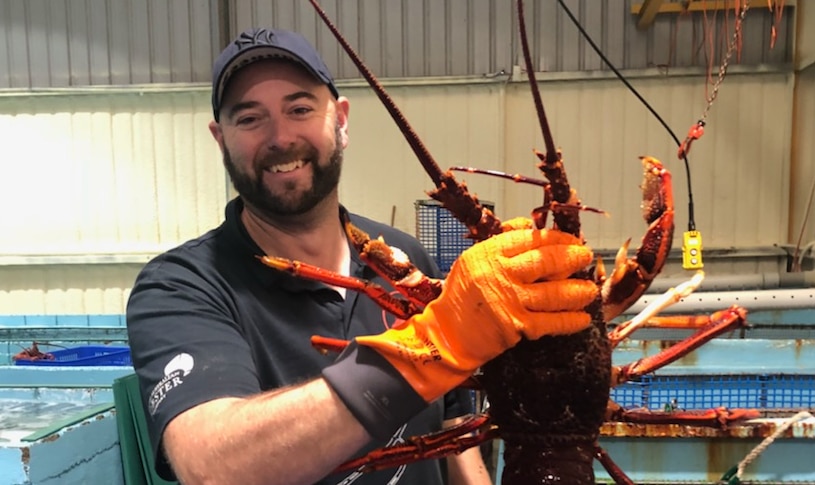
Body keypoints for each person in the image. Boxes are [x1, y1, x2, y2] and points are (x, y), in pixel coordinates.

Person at [126, 27, 594, 485]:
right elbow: (212, 468)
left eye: (300, 108)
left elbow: (454, 425)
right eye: (249, 118)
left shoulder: (405, 255)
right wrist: (432, 343)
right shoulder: (180, 286)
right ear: (220, 138)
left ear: (341, 121)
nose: (280, 136)